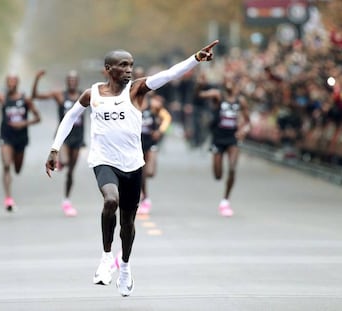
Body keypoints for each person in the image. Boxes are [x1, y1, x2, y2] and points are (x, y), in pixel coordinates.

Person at [45, 40, 219, 297]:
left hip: (133, 164)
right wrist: (54, 148)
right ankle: (106, 258)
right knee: (110, 201)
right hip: (103, 160)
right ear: (108, 69)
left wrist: (195, 58)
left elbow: (168, 75)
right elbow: (70, 116)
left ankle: (124, 265)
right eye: (123, 65)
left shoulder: (137, 90)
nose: (129, 70)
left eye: (131, 65)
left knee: (128, 223)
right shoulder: (92, 94)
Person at [0, 67, 41, 212]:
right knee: (6, 166)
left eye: (13, 81)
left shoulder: (25, 99)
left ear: (17, 83)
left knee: (17, 169)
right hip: (6, 136)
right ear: (6, 83)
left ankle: (11, 187)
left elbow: (38, 118)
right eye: (8, 81)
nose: (11, 84)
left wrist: (23, 123)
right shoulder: (2, 97)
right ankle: (8, 199)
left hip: (21, 138)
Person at [32, 70, 84, 216]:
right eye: (70, 79)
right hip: (64, 137)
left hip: (78, 137)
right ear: (67, 82)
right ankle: (60, 160)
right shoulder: (60, 95)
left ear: (78, 81)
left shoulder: (84, 96)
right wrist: (36, 80)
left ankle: (66, 200)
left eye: (75, 80)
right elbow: (36, 96)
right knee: (66, 162)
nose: (72, 82)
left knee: (71, 172)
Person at [198, 77, 250, 217]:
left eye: (232, 83)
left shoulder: (241, 101)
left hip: (232, 138)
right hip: (218, 138)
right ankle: (222, 188)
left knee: (232, 168)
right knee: (218, 175)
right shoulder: (217, 96)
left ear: (236, 87)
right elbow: (199, 95)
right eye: (227, 83)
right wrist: (199, 85)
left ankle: (225, 200)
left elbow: (247, 121)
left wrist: (243, 131)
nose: (229, 85)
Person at [138, 92, 172, 214]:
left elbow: (167, 118)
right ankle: (145, 198)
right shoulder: (131, 103)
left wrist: (160, 131)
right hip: (136, 143)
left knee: (150, 172)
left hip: (150, 142)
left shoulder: (153, 105)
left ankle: (142, 193)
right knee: (140, 171)